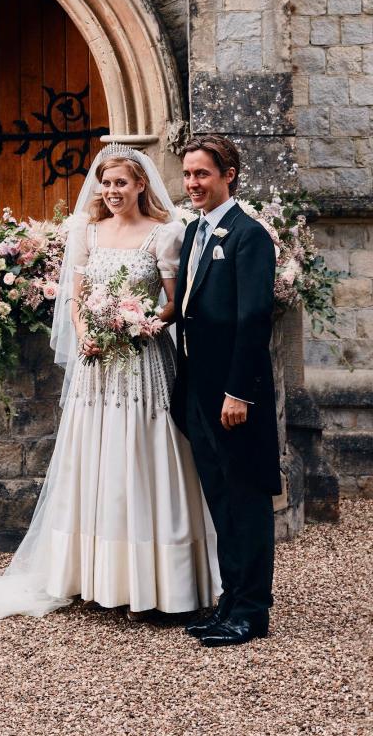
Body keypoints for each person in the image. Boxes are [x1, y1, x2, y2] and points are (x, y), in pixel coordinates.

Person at [0, 146, 217, 619]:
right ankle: (92, 574)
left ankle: (159, 581)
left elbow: (174, 302)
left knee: (144, 456)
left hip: (143, 361)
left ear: (141, 185)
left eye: (121, 183)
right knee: (96, 456)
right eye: (106, 184)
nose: (112, 192)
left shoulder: (165, 234)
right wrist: (88, 335)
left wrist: (140, 324)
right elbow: (76, 299)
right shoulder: (86, 231)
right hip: (96, 366)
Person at [171, 134, 279, 648]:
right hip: (197, 389)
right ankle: (229, 602)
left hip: (235, 398)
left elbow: (255, 319)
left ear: (228, 174)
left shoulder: (248, 235)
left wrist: (239, 392)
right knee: (220, 500)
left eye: (202, 175)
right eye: (188, 174)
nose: (192, 184)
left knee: (246, 499)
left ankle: (252, 612)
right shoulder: (194, 233)